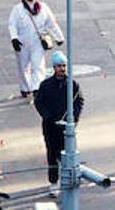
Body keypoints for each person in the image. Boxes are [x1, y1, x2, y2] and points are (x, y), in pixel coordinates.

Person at [33, 50, 79, 194]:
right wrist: (48, 117)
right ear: (54, 68)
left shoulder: (72, 84)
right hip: (50, 127)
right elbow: (39, 102)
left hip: (66, 127)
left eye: (64, 65)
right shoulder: (46, 85)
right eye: (59, 66)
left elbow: (79, 101)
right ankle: (54, 182)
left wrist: (74, 119)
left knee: (68, 154)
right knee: (52, 155)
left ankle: (68, 179)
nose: (62, 69)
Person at [9, 0, 63, 97]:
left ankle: (37, 88)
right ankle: (26, 88)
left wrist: (59, 37)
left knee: (38, 65)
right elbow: (12, 25)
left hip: (37, 42)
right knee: (23, 67)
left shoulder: (43, 7)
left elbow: (51, 23)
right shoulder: (17, 9)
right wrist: (14, 38)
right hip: (22, 43)